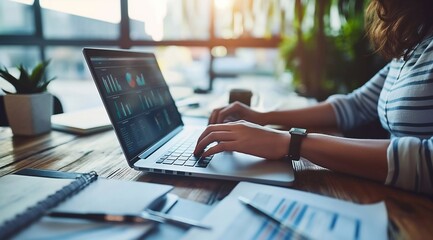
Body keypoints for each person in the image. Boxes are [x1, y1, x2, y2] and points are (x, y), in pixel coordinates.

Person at [194, 0, 433, 195]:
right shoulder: (415, 43)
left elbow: (427, 161)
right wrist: (263, 117)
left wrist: (289, 142)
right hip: (400, 196)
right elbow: (355, 105)